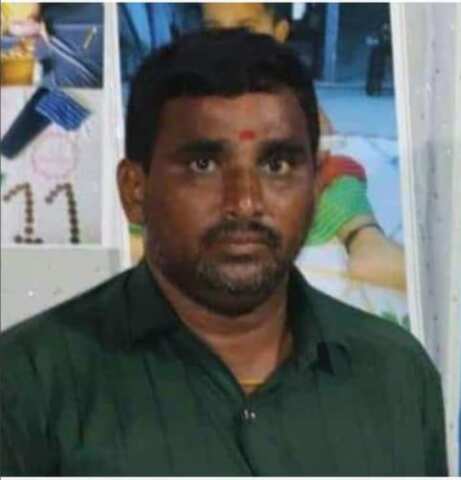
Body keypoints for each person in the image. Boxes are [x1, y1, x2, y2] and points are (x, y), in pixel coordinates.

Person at [0, 29, 447, 476]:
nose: (245, 202)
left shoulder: (397, 373)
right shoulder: (27, 384)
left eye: (276, 165)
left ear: (315, 187)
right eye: (204, 165)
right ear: (135, 191)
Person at [202, 3, 406, 292]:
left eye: (246, 28)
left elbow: (321, 131)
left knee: (342, 170)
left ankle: (366, 241)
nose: (230, 43)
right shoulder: (196, 82)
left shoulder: (286, 82)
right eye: (214, 30)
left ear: (279, 32)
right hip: (221, 184)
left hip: (278, 185)